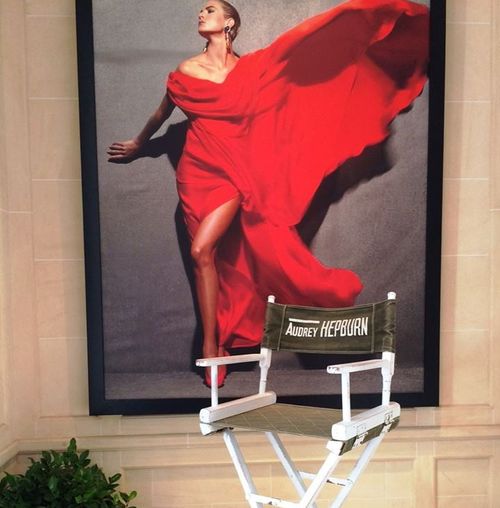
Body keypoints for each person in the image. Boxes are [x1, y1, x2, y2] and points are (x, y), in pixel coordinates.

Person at [108, 0, 429, 387]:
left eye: (210, 10)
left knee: (201, 251)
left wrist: (360, 23)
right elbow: (162, 113)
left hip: (233, 174)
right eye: (201, 10)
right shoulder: (186, 69)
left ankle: (210, 346)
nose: (201, 14)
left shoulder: (253, 69)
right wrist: (140, 143)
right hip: (195, 175)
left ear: (229, 23)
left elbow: (298, 63)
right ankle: (218, 342)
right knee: (214, 260)